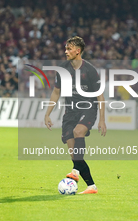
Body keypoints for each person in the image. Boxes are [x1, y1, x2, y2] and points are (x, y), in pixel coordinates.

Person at [44, 36, 107, 194]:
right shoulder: (63, 69)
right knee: (74, 155)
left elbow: (100, 95)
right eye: (65, 49)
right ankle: (91, 186)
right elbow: (56, 92)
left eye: (69, 49)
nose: (66, 52)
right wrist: (47, 114)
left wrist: (102, 120)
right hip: (70, 111)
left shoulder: (90, 70)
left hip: (88, 109)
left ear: (78, 51)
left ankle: (75, 171)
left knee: (78, 132)